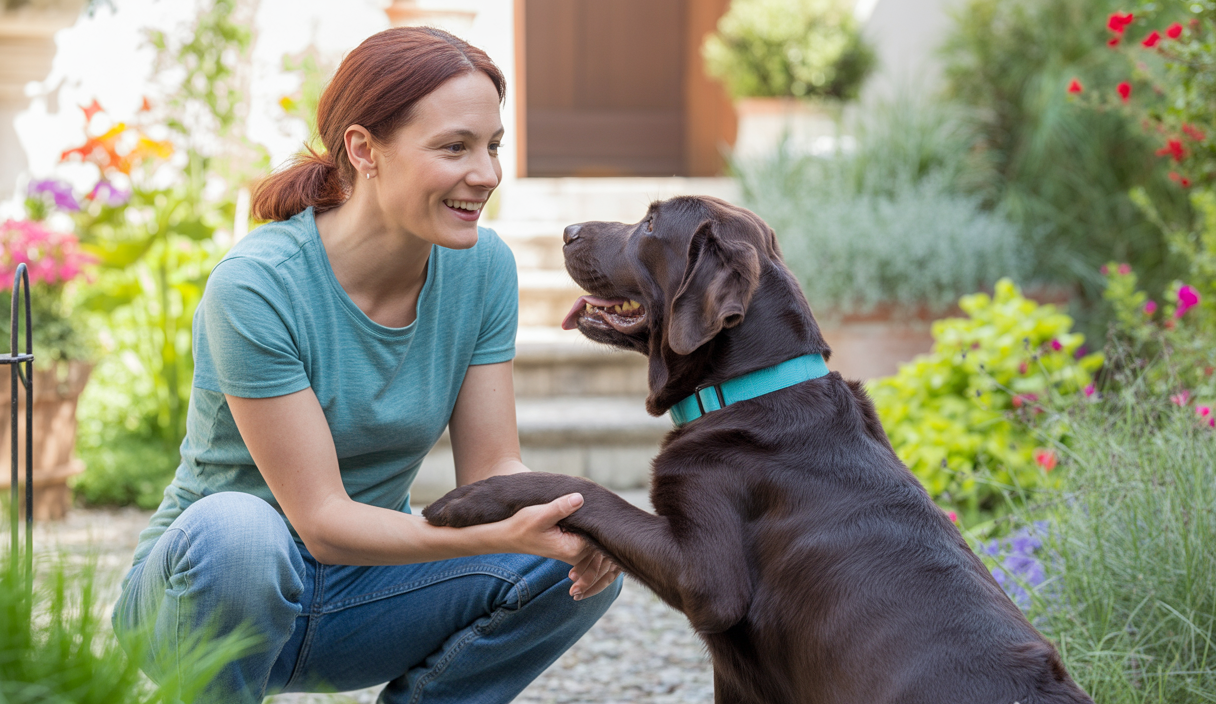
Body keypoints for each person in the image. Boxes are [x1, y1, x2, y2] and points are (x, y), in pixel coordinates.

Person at [112, 26, 622, 703]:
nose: (487, 173)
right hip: (207, 597)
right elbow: (320, 520)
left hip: (358, 595)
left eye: (492, 146)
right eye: (454, 147)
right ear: (363, 149)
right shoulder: (258, 286)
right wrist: (485, 540)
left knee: (573, 552)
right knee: (241, 532)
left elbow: (495, 469)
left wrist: (583, 523)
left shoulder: (482, 267)